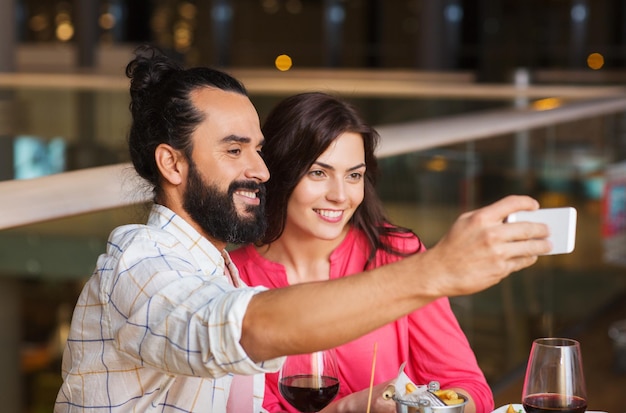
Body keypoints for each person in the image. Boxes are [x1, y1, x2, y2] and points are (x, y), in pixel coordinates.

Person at [54, 45, 551, 413]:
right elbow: (248, 328)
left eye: (257, 149)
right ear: (173, 164)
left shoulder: (214, 267)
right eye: (234, 150)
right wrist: (437, 270)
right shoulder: (141, 262)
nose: (261, 170)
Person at [230, 92, 493, 413]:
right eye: (318, 173)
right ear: (281, 171)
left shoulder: (397, 253)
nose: (340, 195)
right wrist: (350, 407)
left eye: (354, 175)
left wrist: (428, 408)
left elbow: (469, 387)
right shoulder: (234, 278)